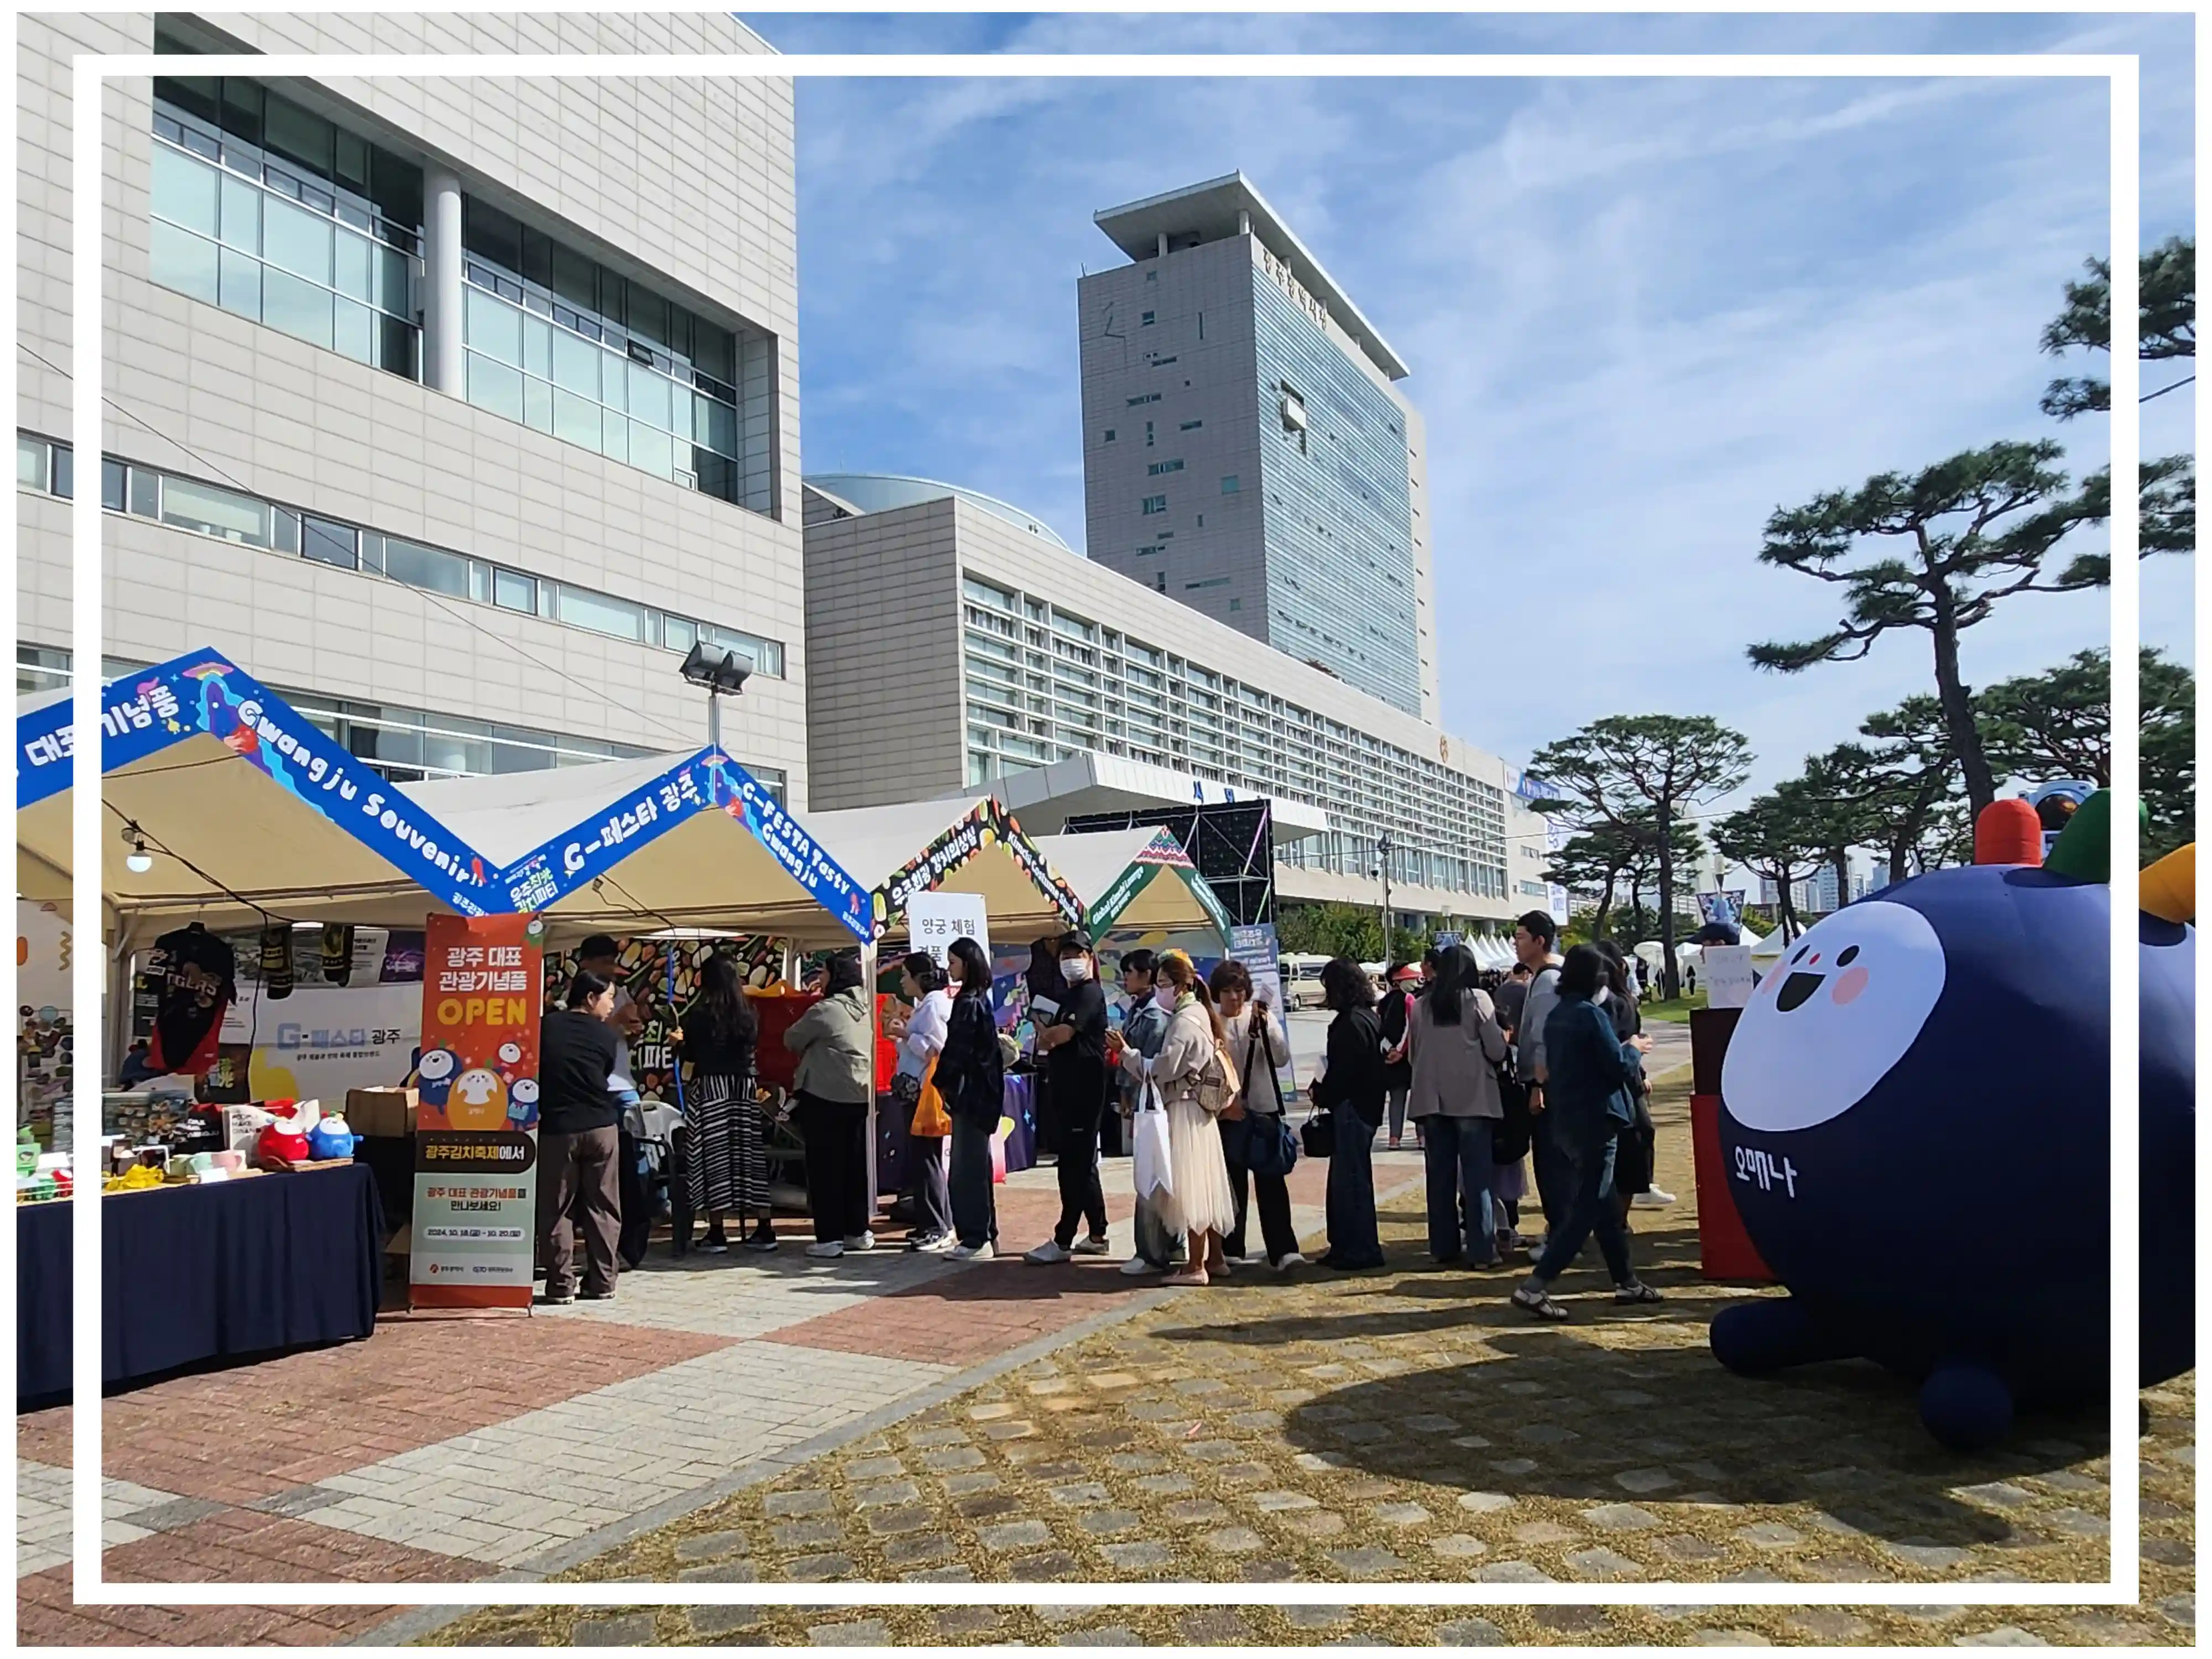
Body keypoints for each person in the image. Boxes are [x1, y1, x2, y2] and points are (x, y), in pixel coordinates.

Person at [1510, 944, 1661, 1319]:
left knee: (1605, 1207)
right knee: (1589, 1208)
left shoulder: (1558, 1015)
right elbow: (1617, 1066)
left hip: (1568, 1120)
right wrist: (1635, 1048)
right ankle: (1535, 1286)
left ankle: (1626, 1281)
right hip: (1598, 1120)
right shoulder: (1590, 1015)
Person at [1111, 949, 1236, 1285]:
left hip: (1185, 1110)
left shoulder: (1184, 1021)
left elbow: (1163, 1068)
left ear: (1181, 986)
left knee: (1190, 1189)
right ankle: (1214, 1258)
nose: (1159, 990)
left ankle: (1195, 1266)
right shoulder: (1199, 1013)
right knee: (1206, 1186)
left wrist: (1128, 1054)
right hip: (1198, 1112)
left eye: (1163, 983)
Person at [1407, 943, 1511, 1267]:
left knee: (1439, 1177)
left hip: (1432, 1099)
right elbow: (1496, 1050)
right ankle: (1482, 1251)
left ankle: (1443, 1247)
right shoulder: (1478, 999)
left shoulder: (1421, 1005)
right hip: (1473, 1097)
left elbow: (1413, 1054)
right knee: (1478, 1177)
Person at [535, 970, 628, 1305]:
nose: (612, 1005)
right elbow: (604, 1072)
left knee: (556, 1208)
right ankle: (602, 1282)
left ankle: (560, 1284)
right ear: (590, 998)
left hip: (558, 1129)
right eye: (609, 997)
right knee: (603, 1206)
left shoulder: (545, 1027)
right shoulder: (607, 1036)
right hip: (602, 1127)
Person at [1026, 931, 1114, 1263]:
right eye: (1065, 956)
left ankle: (1064, 1239)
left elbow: (1059, 1035)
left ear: (1090, 958)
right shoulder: (1067, 995)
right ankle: (1097, 1232)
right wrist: (1046, 1033)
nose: (1070, 962)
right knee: (1081, 1161)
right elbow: (1047, 1041)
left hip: (1083, 1089)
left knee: (1073, 1166)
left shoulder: (1089, 993)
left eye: (1077, 955)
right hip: (1066, 1087)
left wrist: (1044, 1030)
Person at [783, 952, 875, 1259]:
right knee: (854, 1167)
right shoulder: (865, 1009)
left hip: (824, 1096)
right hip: (858, 1096)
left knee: (825, 1170)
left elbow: (791, 1039)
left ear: (836, 977)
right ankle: (857, 1230)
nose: (820, 978)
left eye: (823, 972)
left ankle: (830, 1237)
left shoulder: (826, 1010)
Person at [1211, 959, 1301, 1270]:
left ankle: (1283, 1250)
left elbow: (1282, 1057)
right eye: (1227, 991)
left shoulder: (1261, 1016)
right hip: (1228, 1114)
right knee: (1232, 1185)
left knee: (1271, 1182)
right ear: (1217, 993)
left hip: (1263, 1110)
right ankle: (1232, 1247)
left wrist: (1266, 1030)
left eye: (1239, 990)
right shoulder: (1212, 1021)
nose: (1234, 997)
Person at [675, 952, 768, 1254]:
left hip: (711, 1087)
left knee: (713, 1156)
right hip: (743, 1087)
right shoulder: (749, 1013)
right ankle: (764, 1227)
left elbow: (692, 1054)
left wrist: (679, 1043)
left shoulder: (701, 1015)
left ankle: (717, 1231)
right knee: (749, 1155)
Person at [1312, 956, 1387, 1270]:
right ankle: (1346, 1245)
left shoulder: (1349, 1023)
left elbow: (1344, 1073)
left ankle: (1359, 1247)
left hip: (1352, 1108)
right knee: (1349, 1180)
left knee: (1351, 1182)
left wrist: (1322, 1092)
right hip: (1366, 1106)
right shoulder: (1368, 1018)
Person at [1113, 950, 1184, 1276]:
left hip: (1153, 1105)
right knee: (1160, 1173)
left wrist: (1130, 1091)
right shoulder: (1140, 1009)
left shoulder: (1155, 1016)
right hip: (1146, 1103)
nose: (1126, 979)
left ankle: (1153, 1251)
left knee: (1152, 1176)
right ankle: (1171, 1244)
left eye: (1130, 972)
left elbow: (1150, 1068)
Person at [938, 936, 1005, 1260]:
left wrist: (943, 1084)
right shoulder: (978, 999)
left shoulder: (968, 1002)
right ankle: (984, 1235)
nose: (949, 968)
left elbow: (958, 1051)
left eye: (953, 962)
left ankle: (976, 1238)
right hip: (981, 1095)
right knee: (976, 1168)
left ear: (967, 964)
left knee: (967, 1170)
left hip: (972, 1096)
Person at [885, 951, 955, 1251]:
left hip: (923, 1094)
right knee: (924, 1160)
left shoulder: (933, 1005)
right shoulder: (927, 1005)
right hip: (915, 1091)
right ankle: (935, 1222)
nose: (902, 981)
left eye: (906, 976)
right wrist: (903, 1037)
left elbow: (935, 1049)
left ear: (919, 978)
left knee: (926, 1160)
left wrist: (905, 1034)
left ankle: (937, 1227)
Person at [1513, 910, 1568, 1248]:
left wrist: (1537, 1086)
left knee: (1551, 1163)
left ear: (1540, 941)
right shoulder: (1543, 977)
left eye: (1521, 937)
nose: (1516, 944)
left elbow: (1544, 1038)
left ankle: (1561, 1236)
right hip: (1551, 1084)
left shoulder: (1547, 981)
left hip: (1547, 1086)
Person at [1378, 962, 1420, 1150]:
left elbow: (1380, 1029)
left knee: (1397, 1099)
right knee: (1418, 1098)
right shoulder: (1409, 999)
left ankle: (1394, 1138)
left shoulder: (1383, 1002)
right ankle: (1422, 1137)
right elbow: (1410, 1027)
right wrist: (1400, 1051)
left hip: (1390, 1056)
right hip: (1409, 1057)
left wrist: (1389, 1050)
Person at [1494, 960, 1532, 1038]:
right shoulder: (1528, 990)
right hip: (1521, 1034)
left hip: (1502, 1034)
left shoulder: (1500, 990)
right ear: (1525, 973)